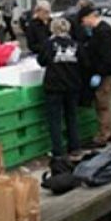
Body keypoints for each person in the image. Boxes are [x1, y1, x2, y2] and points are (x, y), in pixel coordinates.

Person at [37, 18, 82, 160]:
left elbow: (41, 61)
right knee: (72, 117)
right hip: (73, 85)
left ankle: (58, 151)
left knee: (55, 120)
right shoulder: (76, 44)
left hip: (54, 86)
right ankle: (74, 147)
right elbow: (84, 61)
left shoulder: (49, 44)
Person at [79, 6, 111, 147]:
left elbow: (107, 57)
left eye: (83, 21)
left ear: (89, 17)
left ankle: (103, 135)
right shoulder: (103, 30)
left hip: (106, 74)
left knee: (102, 104)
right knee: (107, 104)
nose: (84, 24)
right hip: (109, 72)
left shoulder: (102, 33)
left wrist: (98, 72)